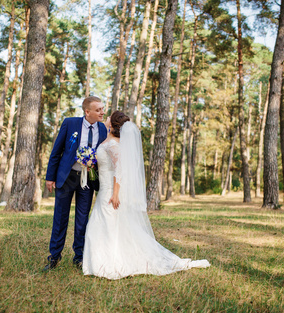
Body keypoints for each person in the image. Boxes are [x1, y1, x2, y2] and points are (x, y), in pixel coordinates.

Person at [82, 111, 210, 280]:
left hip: (110, 191)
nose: (105, 117)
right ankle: (100, 262)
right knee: (107, 224)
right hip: (105, 187)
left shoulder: (113, 144)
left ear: (113, 124)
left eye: (109, 117)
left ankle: (109, 264)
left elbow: (119, 169)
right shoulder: (110, 139)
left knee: (105, 224)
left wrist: (115, 194)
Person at [43, 96, 108, 271]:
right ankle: (54, 257)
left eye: (102, 109)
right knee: (60, 218)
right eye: (98, 110)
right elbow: (57, 150)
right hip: (67, 177)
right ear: (87, 112)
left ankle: (79, 257)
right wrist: (50, 177)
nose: (102, 112)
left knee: (82, 220)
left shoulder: (102, 129)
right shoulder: (70, 123)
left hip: (87, 180)